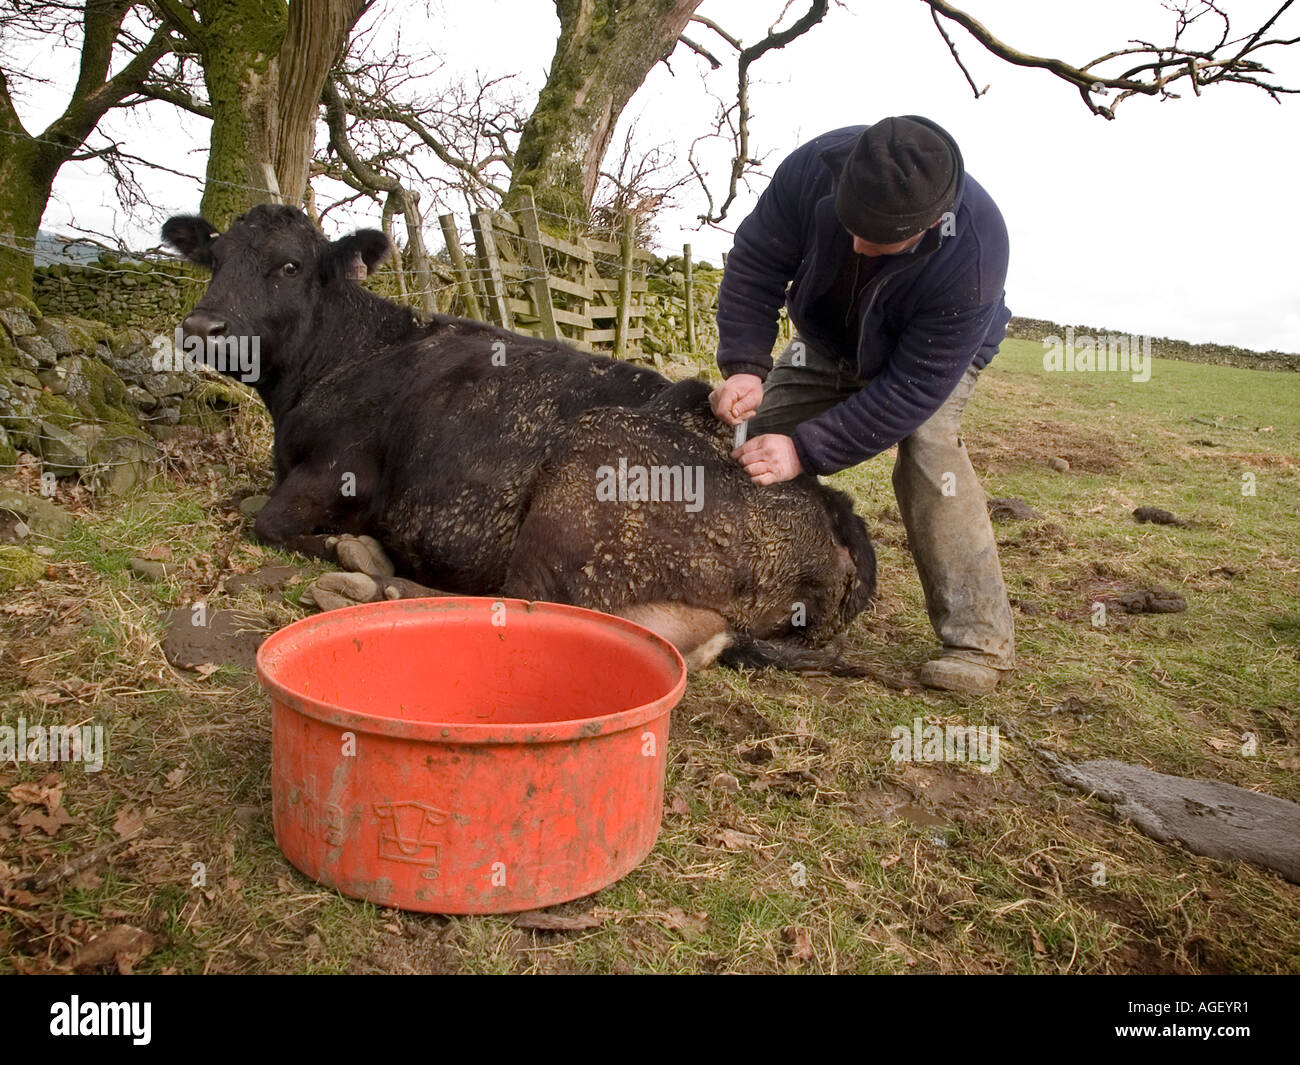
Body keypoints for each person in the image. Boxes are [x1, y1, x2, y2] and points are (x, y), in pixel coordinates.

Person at [709, 116, 1014, 694]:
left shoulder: (975, 248)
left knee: (930, 451)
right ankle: (741, 589)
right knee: (750, 445)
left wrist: (807, 449)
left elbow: (913, 388)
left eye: (878, 241)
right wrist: (746, 366)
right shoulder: (812, 166)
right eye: (851, 226)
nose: (856, 245)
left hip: (926, 357)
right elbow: (756, 264)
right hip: (828, 339)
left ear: (928, 226)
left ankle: (978, 641)